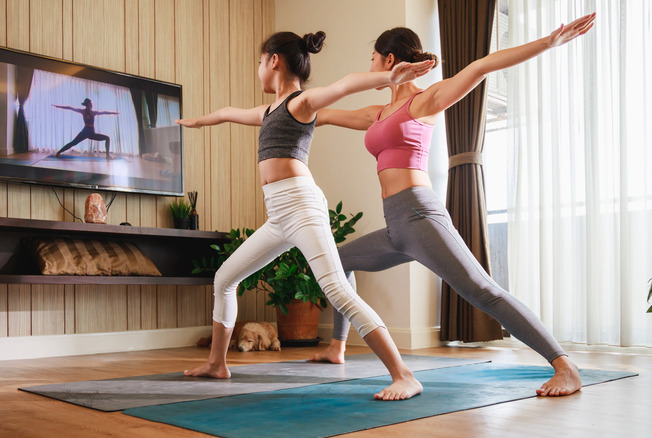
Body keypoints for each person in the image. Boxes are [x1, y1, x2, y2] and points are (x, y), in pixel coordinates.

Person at [310, 13, 596, 399]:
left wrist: (548, 42)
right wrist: (280, 106)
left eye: (373, 58)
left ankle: (566, 366)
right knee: (338, 261)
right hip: (396, 225)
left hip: (419, 215)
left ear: (389, 60)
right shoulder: (377, 113)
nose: (371, 66)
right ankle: (337, 347)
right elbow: (318, 113)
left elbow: (481, 66)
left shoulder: (425, 100)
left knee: (483, 291)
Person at [175, 30, 434, 400]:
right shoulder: (268, 111)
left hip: (301, 207)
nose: (258, 70)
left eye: (259, 62)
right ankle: (217, 364)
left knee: (337, 291)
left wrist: (390, 77)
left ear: (273, 60)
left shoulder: (302, 102)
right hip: (278, 214)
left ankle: (404, 375)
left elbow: (345, 85)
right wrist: (198, 121)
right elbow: (229, 113)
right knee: (225, 279)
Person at [53, 98, 118, 159]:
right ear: (88, 104)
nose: (92, 105)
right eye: (91, 103)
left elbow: (104, 112)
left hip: (89, 133)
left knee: (73, 143)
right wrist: (59, 106)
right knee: (73, 143)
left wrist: (113, 113)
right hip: (86, 132)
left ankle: (107, 155)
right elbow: (70, 108)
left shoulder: (89, 112)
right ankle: (58, 152)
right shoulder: (86, 112)